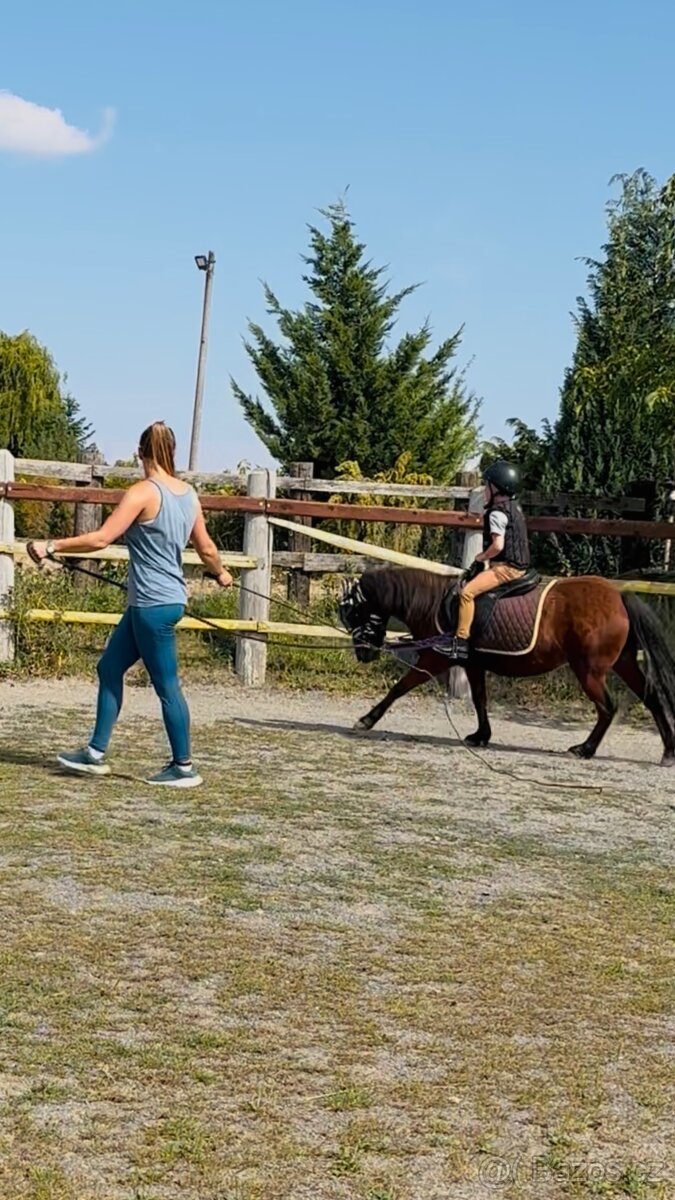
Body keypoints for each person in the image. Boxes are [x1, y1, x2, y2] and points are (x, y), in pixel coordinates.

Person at [30, 421, 232, 787]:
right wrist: (220, 574)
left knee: (167, 685)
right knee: (109, 667)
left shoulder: (141, 492)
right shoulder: (188, 495)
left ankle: (183, 767)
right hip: (161, 602)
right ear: (171, 451)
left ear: (141, 453)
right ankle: (94, 753)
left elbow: (102, 538)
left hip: (150, 606)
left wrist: (52, 546)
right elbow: (207, 549)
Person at [450, 459, 530, 660]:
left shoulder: (496, 513)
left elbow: (498, 546)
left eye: (487, 486)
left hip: (507, 568)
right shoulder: (514, 507)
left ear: (497, 489)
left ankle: (461, 642)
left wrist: (481, 557)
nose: (485, 490)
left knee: (467, 593)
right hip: (519, 565)